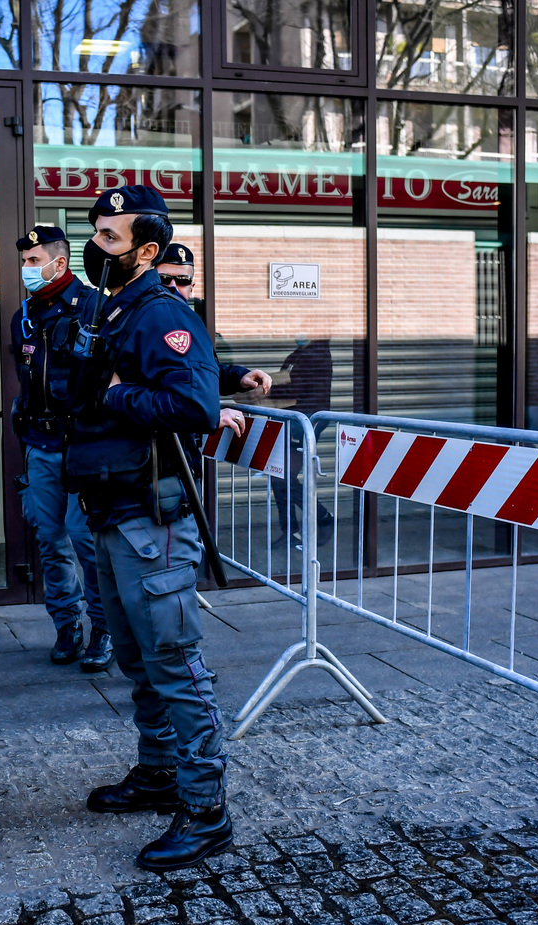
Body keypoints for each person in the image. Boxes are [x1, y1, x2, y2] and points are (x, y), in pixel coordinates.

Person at [64, 185, 233, 872]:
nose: (95, 247)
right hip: (112, 510)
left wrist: (115, 395)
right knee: (138, 661)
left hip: (152, 517)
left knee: (175, 664)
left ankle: (206, 811)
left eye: (109, 238)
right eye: (96, 233)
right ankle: (159, 773)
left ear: (147, 250)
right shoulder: (113, 312)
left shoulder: (161, 313)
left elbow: (195, 403)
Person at [10, 224, 111, 671]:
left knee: (85, 540)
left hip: (83, 442)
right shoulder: (25, 317)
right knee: (50, 541)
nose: (27, 269)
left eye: (34, 261)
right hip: (40, 443)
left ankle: (103, 627)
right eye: (25, 262)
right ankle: (66, 625)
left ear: (59, 261)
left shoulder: (94, 307)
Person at [155, 242, 273, 430]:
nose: (173, 286)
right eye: (164, 279)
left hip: (182, 444)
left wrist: (239, 378)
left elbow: (201, 375)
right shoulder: (144, 323)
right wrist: (207, 416)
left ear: (191, 287)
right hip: (157, 442)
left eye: (182, 280)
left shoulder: (191, 324)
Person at [268, 337, 336, 534]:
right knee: (279, 476)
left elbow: (294, 388)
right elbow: (287, 381)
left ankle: (322, 517)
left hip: (306, 423)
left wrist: (265, 390)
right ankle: (290, 532)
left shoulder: (316, 355)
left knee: (284, 478)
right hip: (294, 420)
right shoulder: (299, 354)